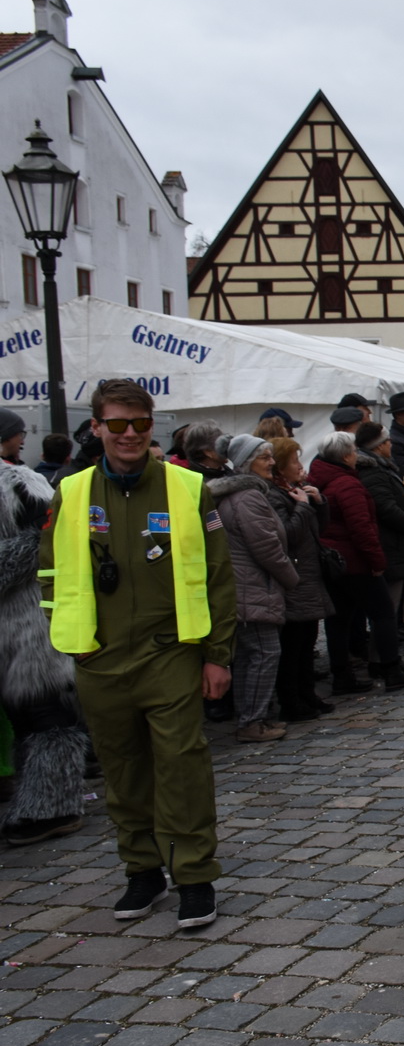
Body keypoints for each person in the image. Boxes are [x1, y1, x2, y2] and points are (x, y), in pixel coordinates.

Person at [38, 378, 237, 928]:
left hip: (170, 652)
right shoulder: (72, 491)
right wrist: (70, 635)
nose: (129, 435)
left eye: (140, 424)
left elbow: (219, 576)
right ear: (97, 427)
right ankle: (142, 872)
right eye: (117, 424)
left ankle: (194, 875)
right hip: (99, 658)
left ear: (153, 427)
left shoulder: (187, 487)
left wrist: (217, 655)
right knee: (123, 772)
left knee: (182, 767)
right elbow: (49, 571)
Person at [0, 460, 91, 846]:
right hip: (14, 627)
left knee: (47, 718)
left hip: (32, 626)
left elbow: (47, 537)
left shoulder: (21, 483)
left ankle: (54, 807)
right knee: (26, 721)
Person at [308, 432, 404, 691]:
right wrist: (377, 561)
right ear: (345, 455)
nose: (356, 455)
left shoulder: (320, 478)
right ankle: (391, 668)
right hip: (355, 562)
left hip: (335, 561)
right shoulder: (347, 484)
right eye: (354, 451)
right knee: (383, 614)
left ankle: (342, 675)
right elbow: (362, 528)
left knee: (339, 619)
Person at [209, 435, 297, 743]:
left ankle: (252, 718)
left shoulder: (244, 493)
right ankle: (251, 721)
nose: (272, 462)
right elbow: (266, 547)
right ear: (247, 463)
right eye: (264, 457)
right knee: (263, 652)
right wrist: (291, 577)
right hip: (250, 588)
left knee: (253, 655)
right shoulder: (247, 497)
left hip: (247, 586)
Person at [266, 437, 335, 721]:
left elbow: (319, 529)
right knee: (293, 645)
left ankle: (307, 694)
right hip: (294, 575)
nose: (300, 466)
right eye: (294, 460)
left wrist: (318, 503)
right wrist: (305, 506)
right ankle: (291, 700)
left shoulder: (292, 490)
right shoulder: (273, 495)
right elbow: (288, 534)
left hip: (308, 572)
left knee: (307, 641)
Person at [354, 423, 404, 665]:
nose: (391, 445)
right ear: (380, 445)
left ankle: (386, 655)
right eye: (387, 442)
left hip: (396, 544)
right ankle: (383, 660)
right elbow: (387, 508)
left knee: (390, 608)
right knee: (386, 609)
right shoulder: (373, 472)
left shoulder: (382, 468)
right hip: (390, 546)